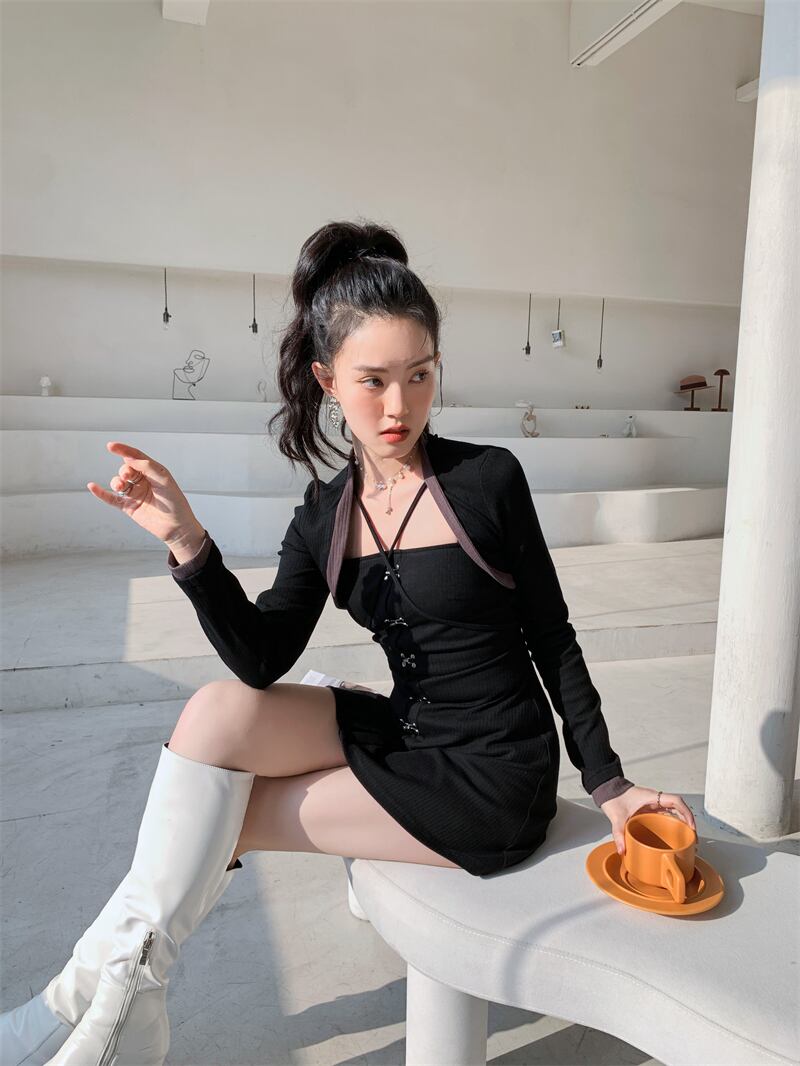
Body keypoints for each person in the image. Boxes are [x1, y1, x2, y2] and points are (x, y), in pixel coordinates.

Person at [1, 219, 696, 1066]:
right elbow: (260, 659)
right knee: (216, 712)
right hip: (407, 730)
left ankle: (89, 1004)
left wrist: (609, 781)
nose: (399, 406)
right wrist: (187, 540)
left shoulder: (487, 481)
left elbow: (552, 636)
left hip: (491, 777)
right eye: (373, 381)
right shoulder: (325, 515)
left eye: (420, 375)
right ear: (329, 380)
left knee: (223, 819)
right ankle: (102, 1003)